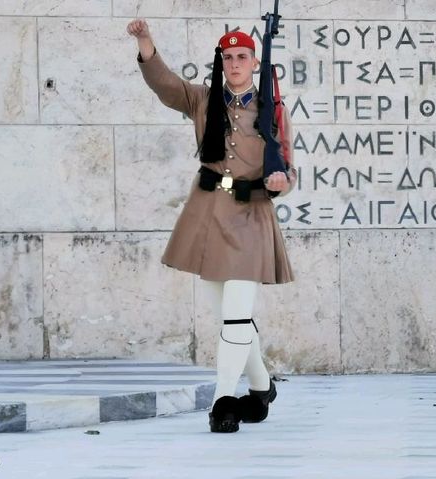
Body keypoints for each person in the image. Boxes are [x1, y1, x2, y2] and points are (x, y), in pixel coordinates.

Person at [127, 18, 297, 433]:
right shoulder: (204, 100)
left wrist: (281, 182)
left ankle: (223, 402)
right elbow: (165, 85)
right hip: (207, 212)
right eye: (228, 57)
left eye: (242, 57)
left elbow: (289, 168)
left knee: (237, 318)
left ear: (255, 63)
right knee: (229, 316)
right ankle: (260, 391)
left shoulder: (273, 110)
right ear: (221, 62)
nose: (235, 63)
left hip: (251, 212)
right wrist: (146, 42)